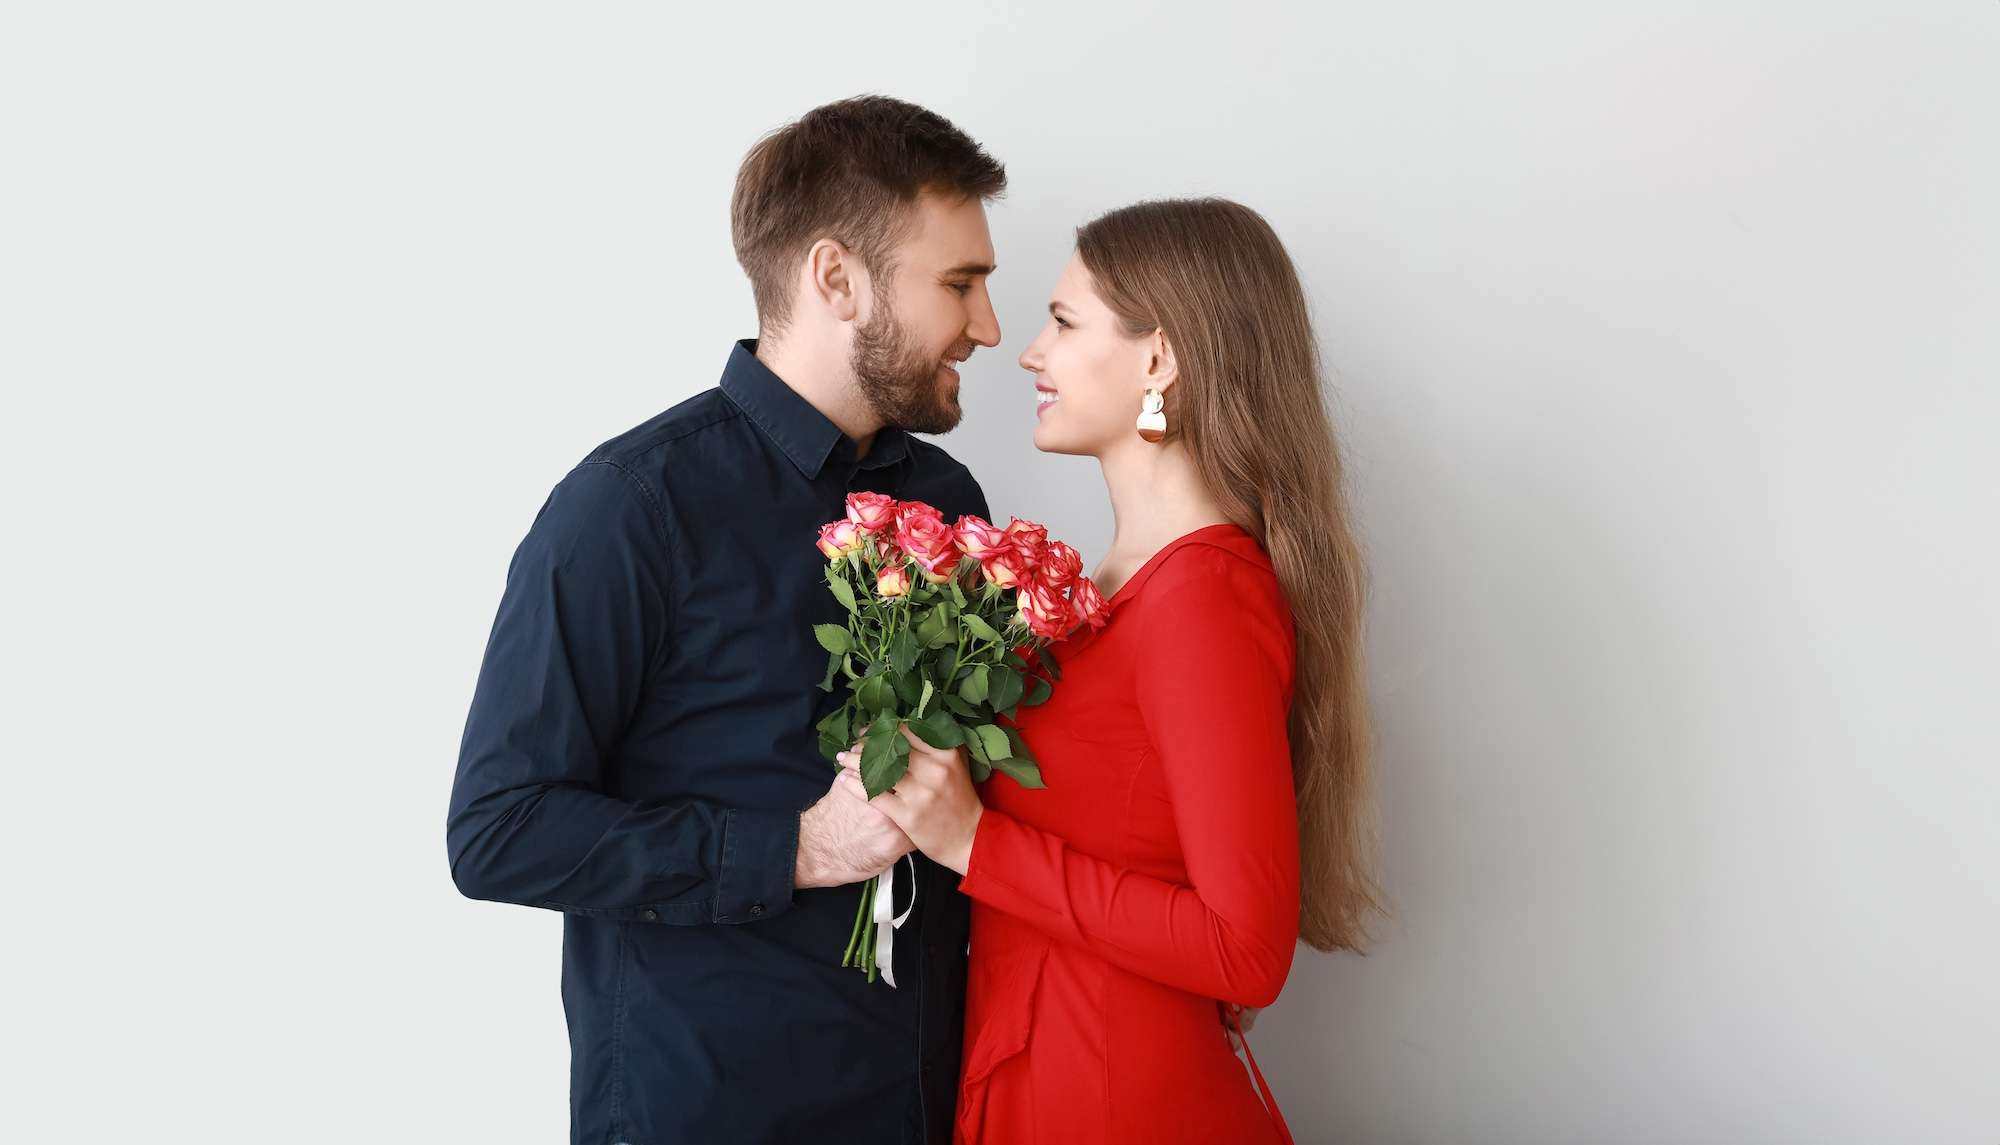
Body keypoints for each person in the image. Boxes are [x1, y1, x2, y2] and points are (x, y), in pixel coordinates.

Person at [446, 95, 1005, 1145]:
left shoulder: (947, 501)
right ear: (835, 277)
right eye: (959, 284)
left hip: (923, 1104)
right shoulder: (628, 506)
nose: (986, 327)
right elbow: (497, 829)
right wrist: (792, 846)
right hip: (706, 1106)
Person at [835, 198, 1386, 1144]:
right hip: (1047, 1067)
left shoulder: (1204, 599)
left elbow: (1246, 951)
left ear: (1158, 359)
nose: (1030, 353)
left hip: (1112, 1093)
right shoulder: (1113, 588)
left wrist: (976, 845)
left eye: (1063, 321)